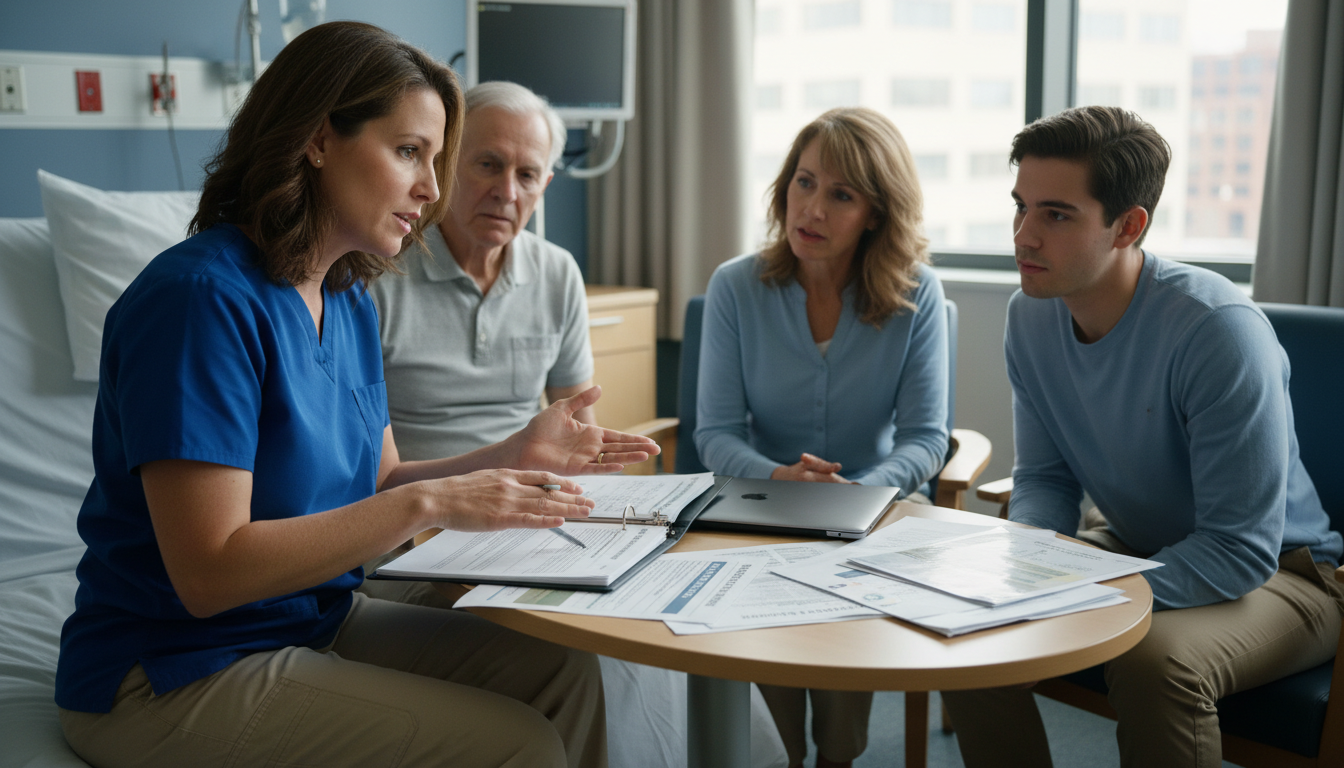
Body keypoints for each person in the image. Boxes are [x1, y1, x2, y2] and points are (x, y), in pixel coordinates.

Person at [54, 22, 656, 768]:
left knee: (561, 669)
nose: (432, 189)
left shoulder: (346, 298)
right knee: (520, 746)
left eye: (435, 160)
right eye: (409, 152)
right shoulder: (198, 301)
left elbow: (383, 480)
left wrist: (514, 454)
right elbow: (208, 573)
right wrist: (430, 504)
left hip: (308, 621)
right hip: (172, 670)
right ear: (317, 139)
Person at [940, 105, 1344, 768]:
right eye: (1020, 207)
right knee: (970, 625)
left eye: (1056, 215)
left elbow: (1240, 549)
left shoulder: (1217, 331)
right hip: (1135, 544)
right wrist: (1028, 565)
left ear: (1129, 226)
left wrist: (1079, 591)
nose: (1023, 236)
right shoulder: (1031, 315)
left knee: (1154, 662)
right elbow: (1045, 479)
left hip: (1287, 575)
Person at [695, 107, 950, 768]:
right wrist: (780, 480)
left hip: (874, 509)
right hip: (763, 503)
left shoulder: (918, 295)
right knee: (770, 716)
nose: (811, 208)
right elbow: (716, 433)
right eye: (804, 182)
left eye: (841, 195)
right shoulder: (735, 286)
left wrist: (857, 492)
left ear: (875, 213)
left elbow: (926, 439)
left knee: (841, 691)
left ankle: (840, 754)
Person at [369, 80, 595, 462]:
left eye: (527, 175)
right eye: (489, 165)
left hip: (532, 491)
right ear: (444, 165)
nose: (507, 192)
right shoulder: (379, 272)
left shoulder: (558, 273)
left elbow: (580, 431)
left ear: (543, 187)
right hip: (420, 495)